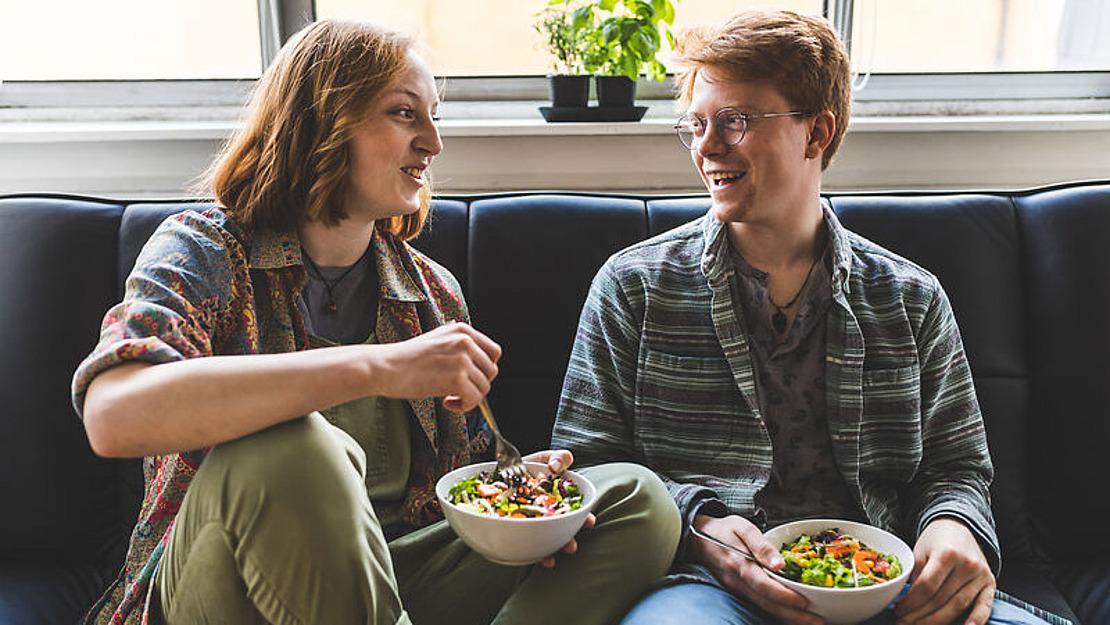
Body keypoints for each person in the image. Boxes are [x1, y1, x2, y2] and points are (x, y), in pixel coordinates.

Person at [73, 19, 679, 625]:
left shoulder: (431, 294)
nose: (434, 143)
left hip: (390, 580)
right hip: (219, 588)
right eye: (404, 113)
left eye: (433, 116)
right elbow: (112, 416)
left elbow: (452, 500)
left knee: (637, 500)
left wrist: (519, 505)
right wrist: (378, 367)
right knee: (294, 445)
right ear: (322, 123)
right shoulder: (204, 251)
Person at [551, 10, 1066, 625]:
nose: (707, 148)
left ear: (816, 134)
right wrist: (703, 528)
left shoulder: (911, 298)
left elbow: (957, 468)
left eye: (734, 122)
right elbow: (587, 466)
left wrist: (954, 527)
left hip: (881, 580)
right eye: (696, 125)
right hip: (703, 585)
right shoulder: (633, 286)